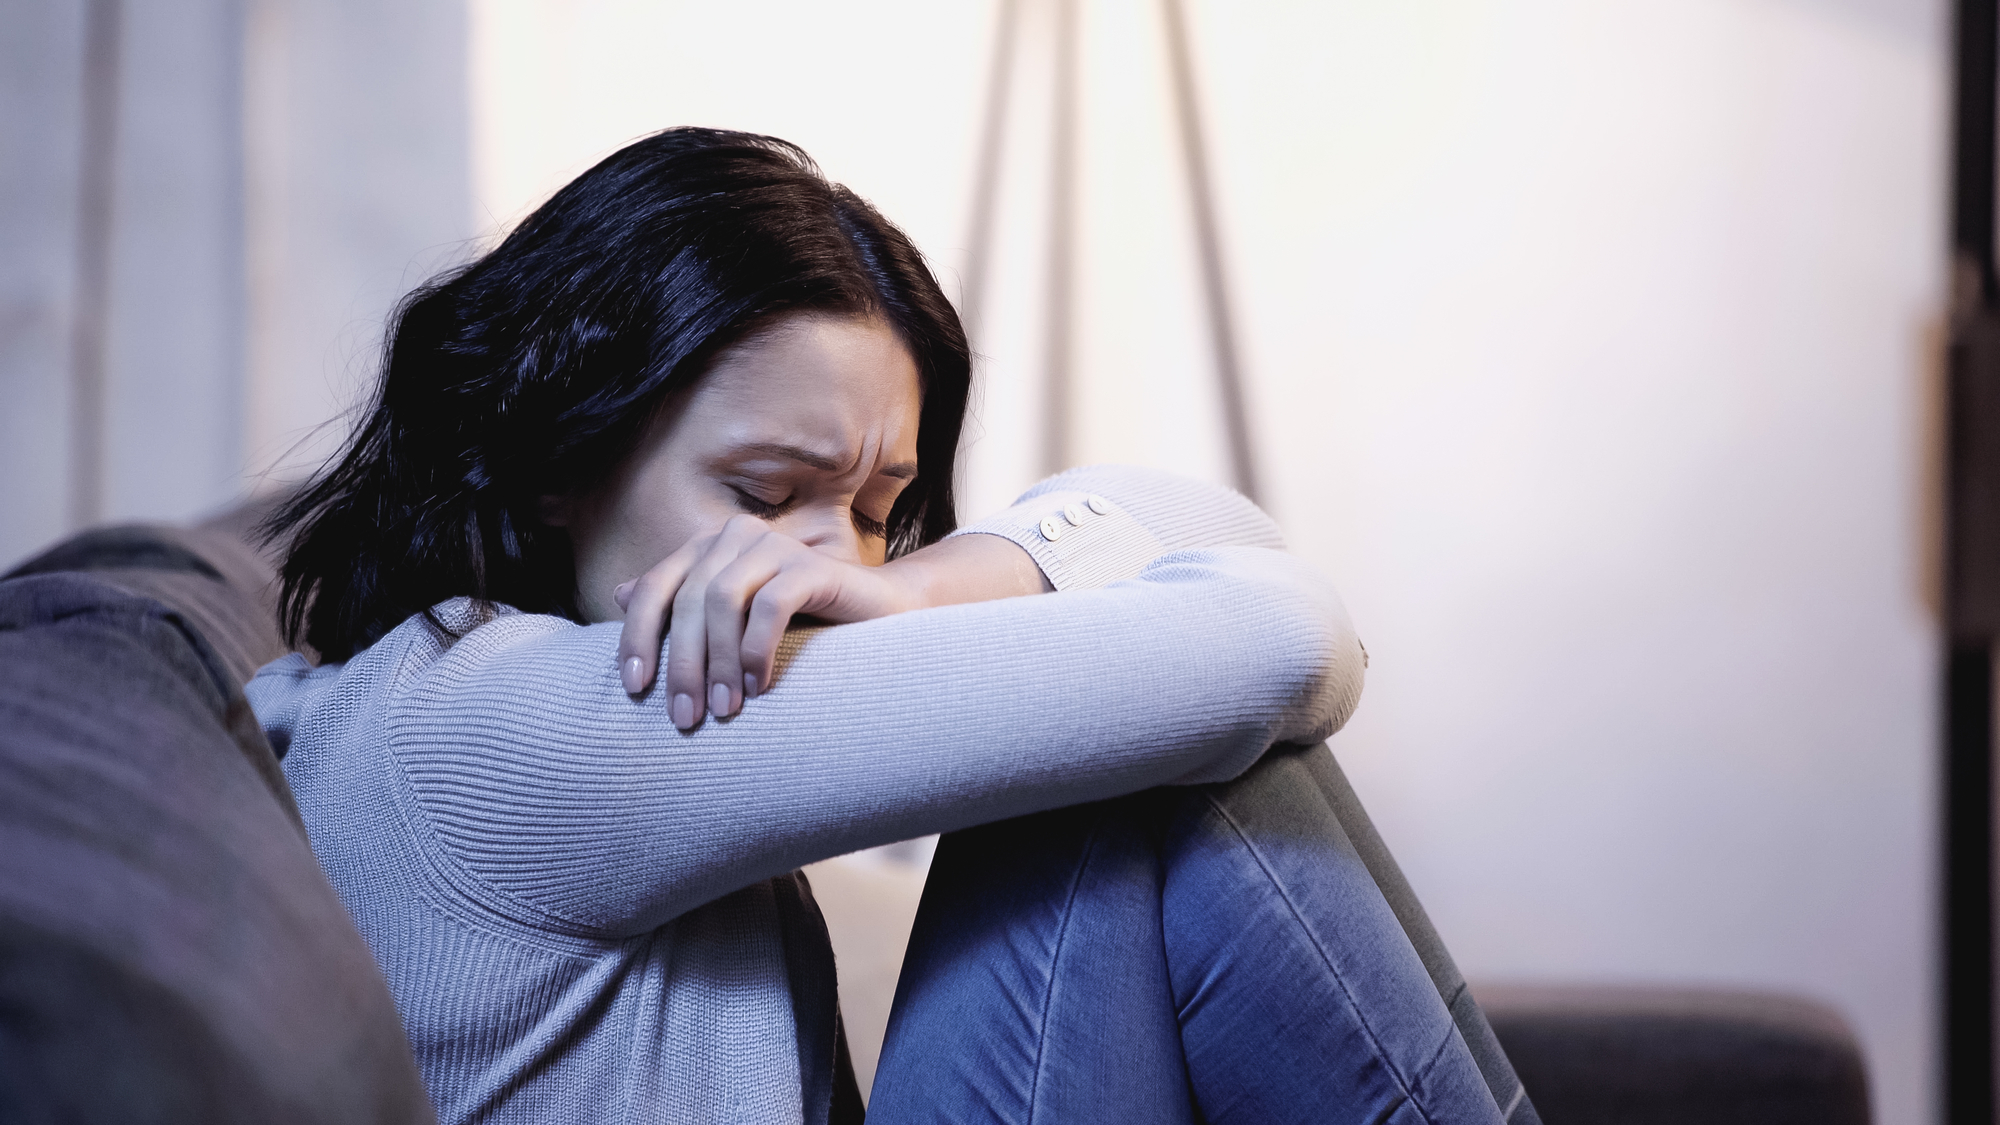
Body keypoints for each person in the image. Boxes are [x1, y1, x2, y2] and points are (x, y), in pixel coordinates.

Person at [251, 127, 1538, 1125]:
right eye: (761, 494)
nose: (826, 557)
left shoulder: (440, 679)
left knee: (1122, 724)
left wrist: (928, 587)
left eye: (879, 507)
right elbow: (1285, 639)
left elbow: (1227, 549)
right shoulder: (548, 722)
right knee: (1140, 739)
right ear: (558, 461)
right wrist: (974, 603)